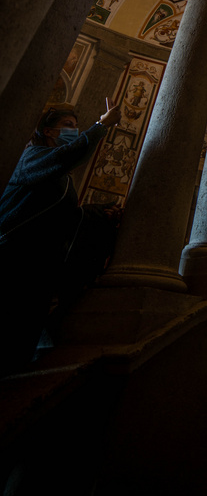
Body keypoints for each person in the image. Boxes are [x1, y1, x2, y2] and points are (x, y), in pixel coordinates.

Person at [0, 98, 121, 374]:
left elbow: (63, 215)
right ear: (48, 131)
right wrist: (101, 125)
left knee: (20, 347)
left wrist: (101, 212)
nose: (73, 131)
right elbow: (66, 156)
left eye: (76, 127)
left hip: (36, 265)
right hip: (11, 256)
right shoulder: (32, 156)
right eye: (67, 126)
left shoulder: (61, 177)